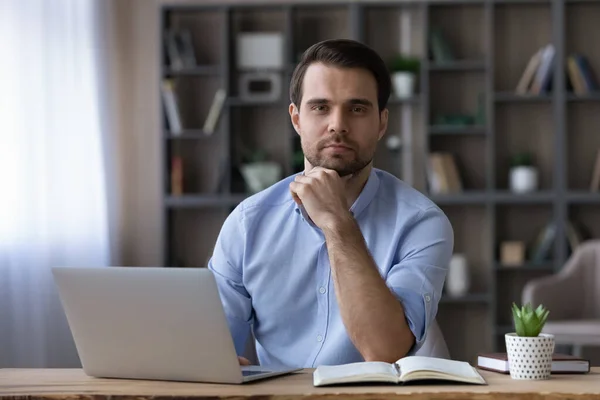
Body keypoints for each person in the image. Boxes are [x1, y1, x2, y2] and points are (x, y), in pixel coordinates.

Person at [208, 39, 453, 369]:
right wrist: (216, 364)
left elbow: (385, 350)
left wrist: (337, 223)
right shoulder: (247, 224)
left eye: (356, 108)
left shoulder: (422, 223)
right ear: (296, 119)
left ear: (382, 123)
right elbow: (212, 349)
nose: (337, 124)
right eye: (320, 107)